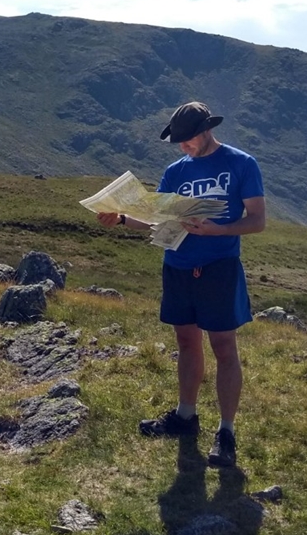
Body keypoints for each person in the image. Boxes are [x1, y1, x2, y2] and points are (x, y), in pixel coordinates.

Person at [95, 101, 265, 468]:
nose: (183, 148)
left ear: (205, 131)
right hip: (177, 265)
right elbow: (156, 219)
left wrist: (218, 230)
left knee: (223, 346)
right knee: (186, 342)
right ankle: (185, 417)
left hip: (219, 266)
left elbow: (257, 221)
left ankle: (227, 432)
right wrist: (123, 218)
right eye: (179, 143)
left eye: (187, 141)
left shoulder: (241, 163)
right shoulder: (175, 171)